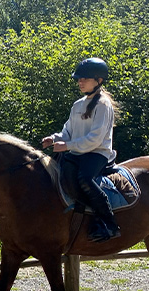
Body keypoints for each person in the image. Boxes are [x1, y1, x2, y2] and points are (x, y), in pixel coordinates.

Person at [42, 57, 120, 243]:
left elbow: (95, 139)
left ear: (99, 80)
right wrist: (54, 138)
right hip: (78, 152)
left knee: (84, 179)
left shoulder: (103, 105)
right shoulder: (78, 105)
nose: (80, 82)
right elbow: (68, 131)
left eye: (84, 78)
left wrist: (67, 146)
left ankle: (109, 224)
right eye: (79, 79)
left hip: (97, 153)